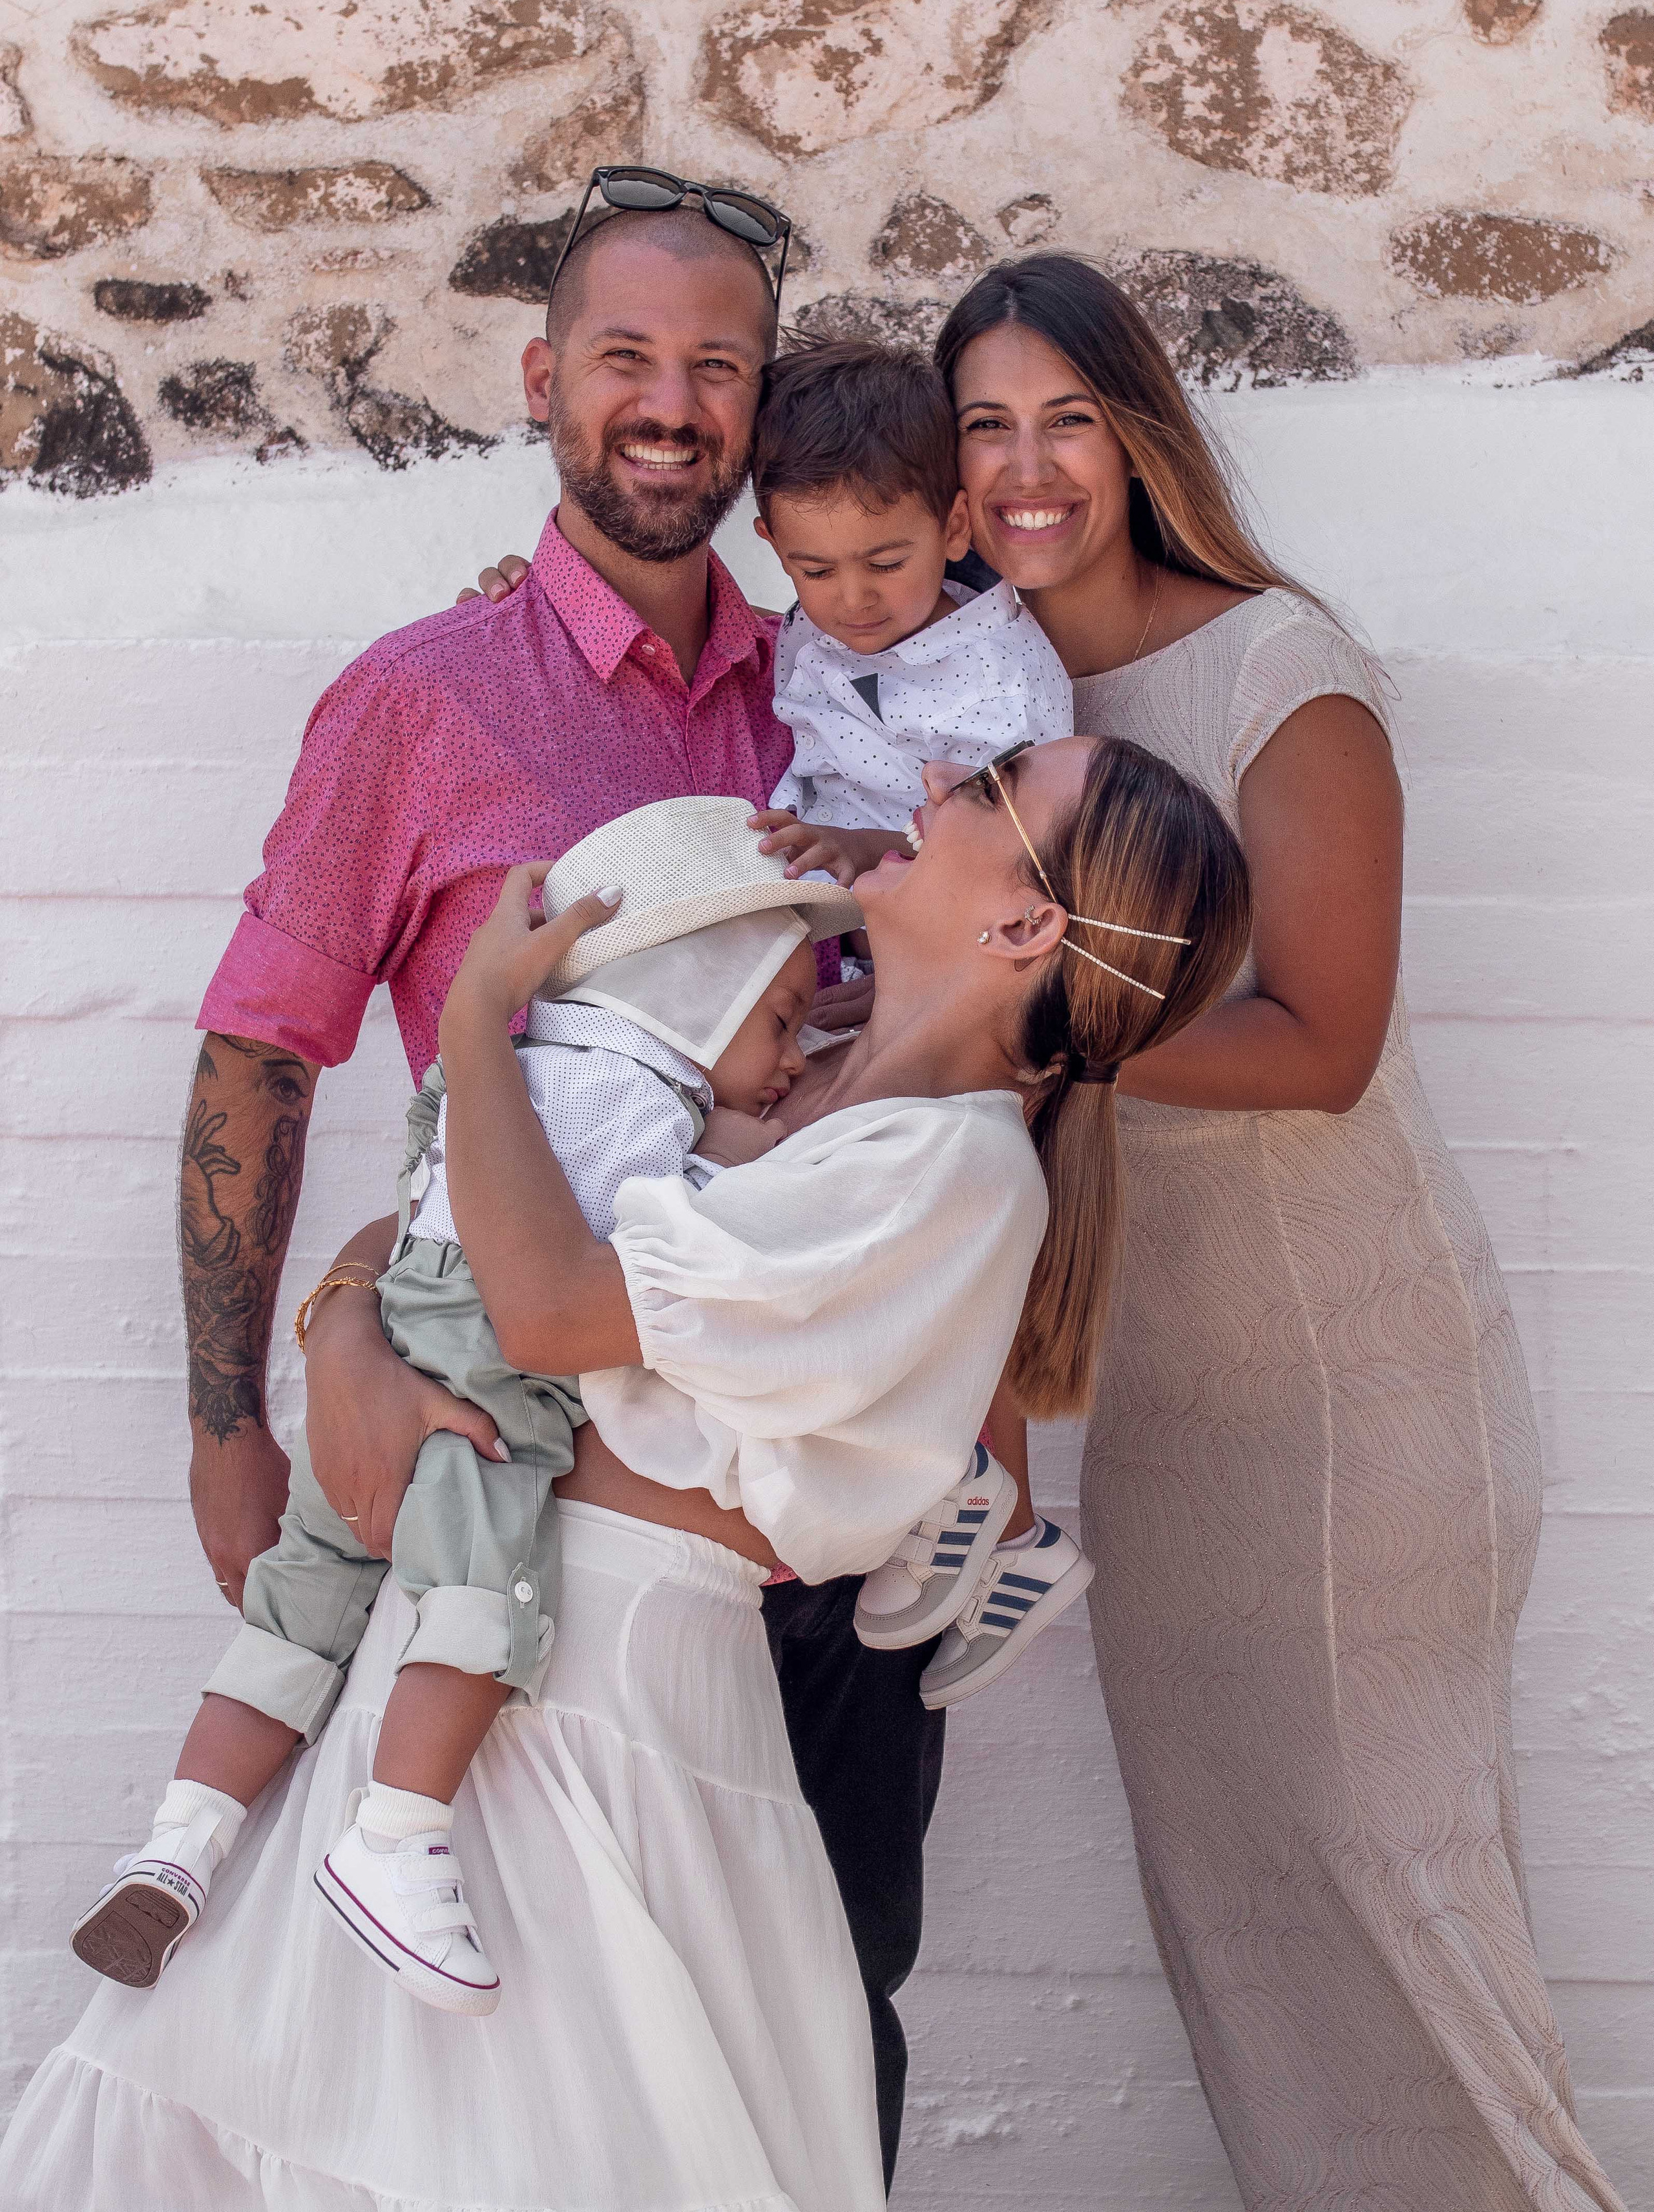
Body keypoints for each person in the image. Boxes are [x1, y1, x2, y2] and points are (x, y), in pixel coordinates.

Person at [0, 734, 1253, 2212]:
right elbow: (440, 1235)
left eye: (982, 792)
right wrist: (344, 1338)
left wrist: (479, 1016)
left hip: (598, 1707)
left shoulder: (949, 1177)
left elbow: (536, 1302)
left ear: (1028, 923)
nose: (922, 791)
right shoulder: (786, 1046)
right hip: (463, 1644)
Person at [172, 160, 955, 2177]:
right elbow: (265, 1054)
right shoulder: (422, 705)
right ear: (541, 378)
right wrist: (246, 1407)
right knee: (485, 2089)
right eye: (627, 355)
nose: (672, 402)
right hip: (527, 1529)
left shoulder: (855, 703)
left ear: (764, 413)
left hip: (805, 1521)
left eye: (719, 366)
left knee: (810, 2032)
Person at [925, 251, 1627, 2212]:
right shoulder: (981, 688)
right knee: (1255, 1954)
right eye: (986, 426)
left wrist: (1027, 1034)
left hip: (1357, 1403)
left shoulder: (1276, 672)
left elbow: (1320, 1042)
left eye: (1067, 417)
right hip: (1168, 1416)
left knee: (1401, 1935)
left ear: (1142, 434)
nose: (1027, 468)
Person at [72, 800, 860, 2014]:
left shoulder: (502, 1070)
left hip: (387, 1357)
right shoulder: (640, 1106)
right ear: (694, 991)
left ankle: (181, 1838)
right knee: (485, 1606)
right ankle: (397, 1831)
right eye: (782, 1020)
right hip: (482, 1404)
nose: (793, 1057)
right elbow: (638, 1248)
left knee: (296, 1621)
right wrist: (773, 1139)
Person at [734, 336, 1089, 1700]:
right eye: (811, 569)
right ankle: (986, 1509)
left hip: (968, 1013)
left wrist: (848, 839)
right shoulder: (810, 628)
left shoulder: (1002, 682)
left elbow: (1006, 854)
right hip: (854, 1002)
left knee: (937, 1256)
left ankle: (988, 1502)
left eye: (883, 562)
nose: (850, 598)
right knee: (860, 1248)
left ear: (951, 523)